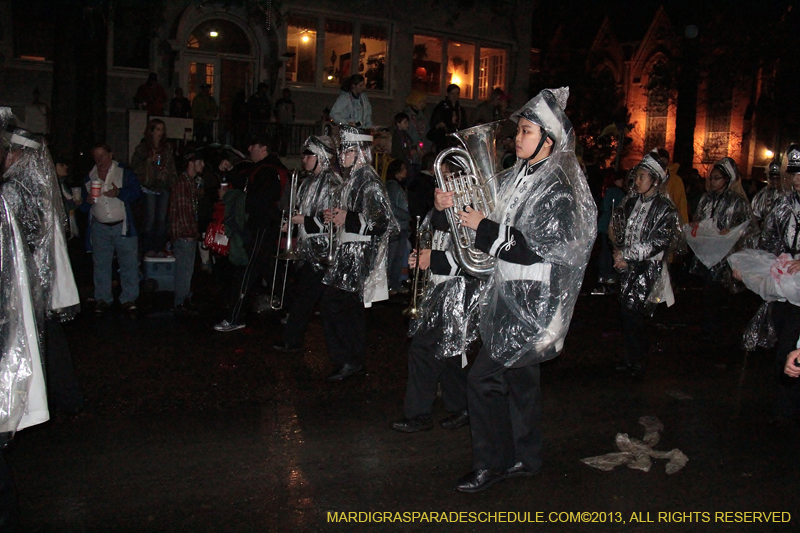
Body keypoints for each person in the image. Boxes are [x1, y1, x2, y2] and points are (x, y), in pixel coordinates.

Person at [443, 87, 596, 493]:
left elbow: (533, 249)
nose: (517, 138)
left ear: (549, 139)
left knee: (482, 380)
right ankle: (527, 457)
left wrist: (483, 227)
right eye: (520, 131)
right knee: (520, 382)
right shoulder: (518, 176)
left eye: (527, 131)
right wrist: (453, 203)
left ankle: (489, 463)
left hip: (532, 300)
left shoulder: (558, 188)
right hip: (508, 292)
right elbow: (490, 221)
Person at [391, 205, 482, 433]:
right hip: (439, 288)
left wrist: (434, 258)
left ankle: (419, 415)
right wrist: (420, 257)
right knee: (448, 352)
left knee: (423, 350)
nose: (439, 192)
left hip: (460, 291)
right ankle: (463, 407)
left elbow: (477, 259)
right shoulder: (436, 214)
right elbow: (434, 244)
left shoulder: (472, 210)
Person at [321, 126, 398, 381]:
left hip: (359, 253)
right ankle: (350, 359)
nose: (342, 155)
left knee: (341, 306)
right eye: (342, 150)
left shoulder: (368, 181)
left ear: (360, 152)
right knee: (343, 307)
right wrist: (338, 217)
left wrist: (349, 218)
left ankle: (350, 359)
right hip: (348, 249)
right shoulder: (352, 179)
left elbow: (384, 223)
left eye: (348, 150)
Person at [611, 150, 681, 377]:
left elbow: (658, 241)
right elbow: (620, 230)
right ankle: (630, 357)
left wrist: (627, 255)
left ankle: (638, 360)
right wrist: (618, 251)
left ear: (656, 180)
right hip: (627, 266)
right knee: (626, 312)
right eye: (637, 177)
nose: (637, 181)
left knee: (635, 313)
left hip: (647, 269)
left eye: (642, 177)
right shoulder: (632, 202)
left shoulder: (665, 209)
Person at [273, 136, 341, 352]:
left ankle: (295, 341)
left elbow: (332, 221)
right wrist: (292, 225)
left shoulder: (332, 183)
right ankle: (293, 339)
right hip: (307, 250)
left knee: (314, 300)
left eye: (308, 155)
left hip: (323, 251)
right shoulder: (309, 182)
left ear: (320, 156)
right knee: (305, 298)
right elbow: (304, 213)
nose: (304, 159)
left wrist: (303, 221)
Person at [751, 144, 800, 421]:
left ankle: (785, 406)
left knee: (789, 346)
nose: (796, 180)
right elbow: (768, 239)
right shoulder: (784, 204)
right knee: (783, 338)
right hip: (784, 287)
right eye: (793, 174)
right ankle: (785, 397)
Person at [214, 134, 282, 332]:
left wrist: (232, 197)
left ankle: (235, 317)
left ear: (263, 148)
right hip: (266, 227)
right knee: (268, 270)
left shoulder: (266, 171)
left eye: (253, 145)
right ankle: (287, 309)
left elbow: (257, 199)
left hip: (261, 227)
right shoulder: (268, 169)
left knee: (246, 271)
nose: (250, 148)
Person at [688, 157, 757, 350]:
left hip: (726, 256)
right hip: (708, 253)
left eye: (717, 178)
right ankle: (710, 329)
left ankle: (720, 332)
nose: (712, 182)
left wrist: (732, 232)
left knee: (720, 294)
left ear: (727, 179)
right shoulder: (707, 198)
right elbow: (700, 218)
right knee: (708, 293)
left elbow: (748, 227)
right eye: (711, 178)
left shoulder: (736, 201)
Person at [82, 143, 141, 316]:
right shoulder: (89, 177)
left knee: (129, 264)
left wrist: (119, 193)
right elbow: (84, 209)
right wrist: (86, 202)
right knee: (101, 264)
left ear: (111, 154)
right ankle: (102, 299)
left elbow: (136, 193)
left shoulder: (123, 172)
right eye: (96, 157)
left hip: (122, 225)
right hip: (99, 227)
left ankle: (129, 299)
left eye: (103, 155)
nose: (100, 160)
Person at [130, 118, 177, 256]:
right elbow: (134, 167)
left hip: (163, 187)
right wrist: (148, 162)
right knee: (150, 220)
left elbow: (172, 167)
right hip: (149, 187)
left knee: (162, 221)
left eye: (162, 129)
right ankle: (148, 249)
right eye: (157, 129)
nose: (160, 133)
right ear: (151, 131)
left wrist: (171, 182)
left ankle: (160, 248)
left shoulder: (167, 148)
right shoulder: (143, 148)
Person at [169, 150, 204, 313]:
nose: (202, 165)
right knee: (184, 269)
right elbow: (183, 212)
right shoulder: (183, 183)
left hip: (186, 234)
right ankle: (180, 302)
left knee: (187, 269)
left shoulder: (189, 182)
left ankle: (183, 299)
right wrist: (192, 232)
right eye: (200, 161)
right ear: (191, 162)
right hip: (184, 235)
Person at [592, 170, 626, 294]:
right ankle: (607, 274)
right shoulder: (616, 193)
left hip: (604, 224)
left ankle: (603, 274)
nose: (622, 182)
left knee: (604, 250)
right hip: (610, 226)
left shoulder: (608, 191)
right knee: (608, 251)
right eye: (620, 180)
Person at [385, 159, 411, 295]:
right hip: (396, 226)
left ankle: (394, 284)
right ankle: (389, 284)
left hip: (401, 226)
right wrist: (407, 216)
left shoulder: (397, 186)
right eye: (403, 169)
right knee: (392, 257)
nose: (406, 171)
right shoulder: (392, 186)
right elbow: (391, 207)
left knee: (398, 257)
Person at [427, 84, 467, 152]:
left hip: (456, 140)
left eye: (457, 94)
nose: (455, 96)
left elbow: (464, 125)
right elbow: (434, 123)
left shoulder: (461, 110)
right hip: (443, 140)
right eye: (452, 93)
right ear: (448, 94)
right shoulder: (440, 108)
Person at [657, 148, 688, 225]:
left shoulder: (675, 181)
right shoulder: (649, 178)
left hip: (670, 223)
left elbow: (681, 204)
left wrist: (684, 225)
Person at [751, 162, 786, 226]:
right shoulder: (761, 195)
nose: (775, 181)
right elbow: (754, 215)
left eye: (778, 178)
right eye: (773, 178)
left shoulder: (787, 195)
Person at [274, 88, 296, 156]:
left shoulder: (291, 103)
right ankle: (276, 151)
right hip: (281, 122)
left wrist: (291, 121)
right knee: (278, 137)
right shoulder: (279, 102)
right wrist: (277, 119)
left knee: (286, 139)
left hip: (288, 123)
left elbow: (293, 113)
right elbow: (275, 111)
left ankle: (283, 152)